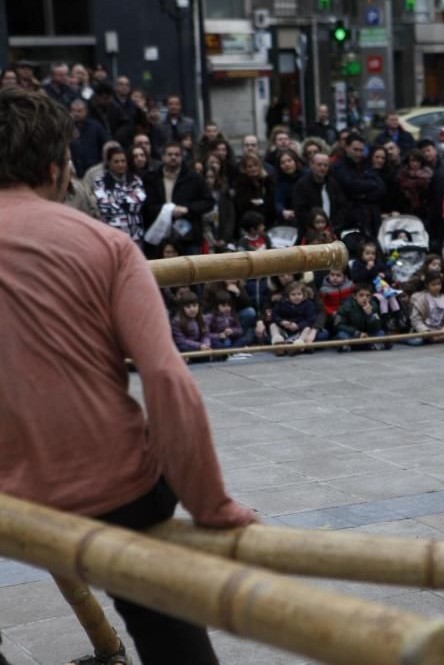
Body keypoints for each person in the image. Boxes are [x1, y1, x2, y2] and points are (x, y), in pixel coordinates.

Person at [1, 86, 257, 665]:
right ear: (57, 169)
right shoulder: (108, 247)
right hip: (110, 483)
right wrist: (211, 505)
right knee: (166, 625)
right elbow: (167, 381)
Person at [142, 141, 214, 257]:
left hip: (188, 236)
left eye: (177, 155)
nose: (173, 157)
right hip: (159, 235)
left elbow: (208, 202)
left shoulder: (194, 178)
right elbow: (146, 206)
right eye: (170, 154)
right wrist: (166, 209)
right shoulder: (151, 178)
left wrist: (187, 209)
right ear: (163, 157)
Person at [332, 133, 386, 239]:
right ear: (346, 147)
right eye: (355, 150)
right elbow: (350, 184)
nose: (358, 154)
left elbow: (381, 188)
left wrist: (364, 194)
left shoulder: (365, 165)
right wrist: (370, 185)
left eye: (361, 150)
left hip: (367, 215)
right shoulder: (339, 166)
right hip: (347, 216)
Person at [93, 145, 147, 247]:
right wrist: (127, 199)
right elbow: (105, 208)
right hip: (111, 237)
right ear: (109, 163)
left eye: (123, 161)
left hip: (135, 236)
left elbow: (138, 204)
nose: (120, 164)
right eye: (116, 161)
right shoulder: (100, 182)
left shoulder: (135, 180)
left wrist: (114, 200)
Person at [333, 282, 388, 350]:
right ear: (354, 296)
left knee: (381, 333)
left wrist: (370, 315)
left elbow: (377, 326)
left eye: (367, 296)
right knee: (341, 335)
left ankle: (352, 347)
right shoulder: (346, 306)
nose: (364, 298)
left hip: (368, 335)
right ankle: (371, 346)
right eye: (361, 295)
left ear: (371, 297)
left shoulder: (374, 306)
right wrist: (357, 333)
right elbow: (338, 325)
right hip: (353, 334)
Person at [408, 271, 444, 345]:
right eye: (433, 284)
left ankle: (438, 338)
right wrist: (426, 332)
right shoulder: (420, 298)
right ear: (426, 285)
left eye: (439, 284)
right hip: (425, 331)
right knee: (417, 341)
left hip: (441, 331)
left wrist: (443, 330)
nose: (437, 287)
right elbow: (415, 319)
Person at [270, 280, 319, 347]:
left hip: (299, 330)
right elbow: (274, 314)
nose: (296, 297)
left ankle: (299, 343)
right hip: (285, 329)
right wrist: (282, 321)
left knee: (307, 328)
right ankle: (278, 341)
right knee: (272, 325)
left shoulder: (308, 304)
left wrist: (298, 326)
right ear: (288, 296)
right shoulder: (283, 303)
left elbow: (311, 319)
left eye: (299, 294)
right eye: (293, 294)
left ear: (303, 294)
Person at [233, 153, 276, 228]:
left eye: (256, 165)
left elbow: (271, 202)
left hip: (268, 221)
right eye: (249, 166)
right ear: (245, 169)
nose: (253, 168)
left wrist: (259, 202)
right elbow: (243, 205)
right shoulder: (241, 183)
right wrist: (261, 202)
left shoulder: (267, 180)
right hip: (250, 224)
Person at [69, 99, 108, 175]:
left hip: (94, 168)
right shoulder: (66, 127)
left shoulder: (95, 126)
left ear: (86, 111)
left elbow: (105, 144)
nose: (76, 114)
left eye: (79, 111)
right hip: (73, 169)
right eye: (73, 111)